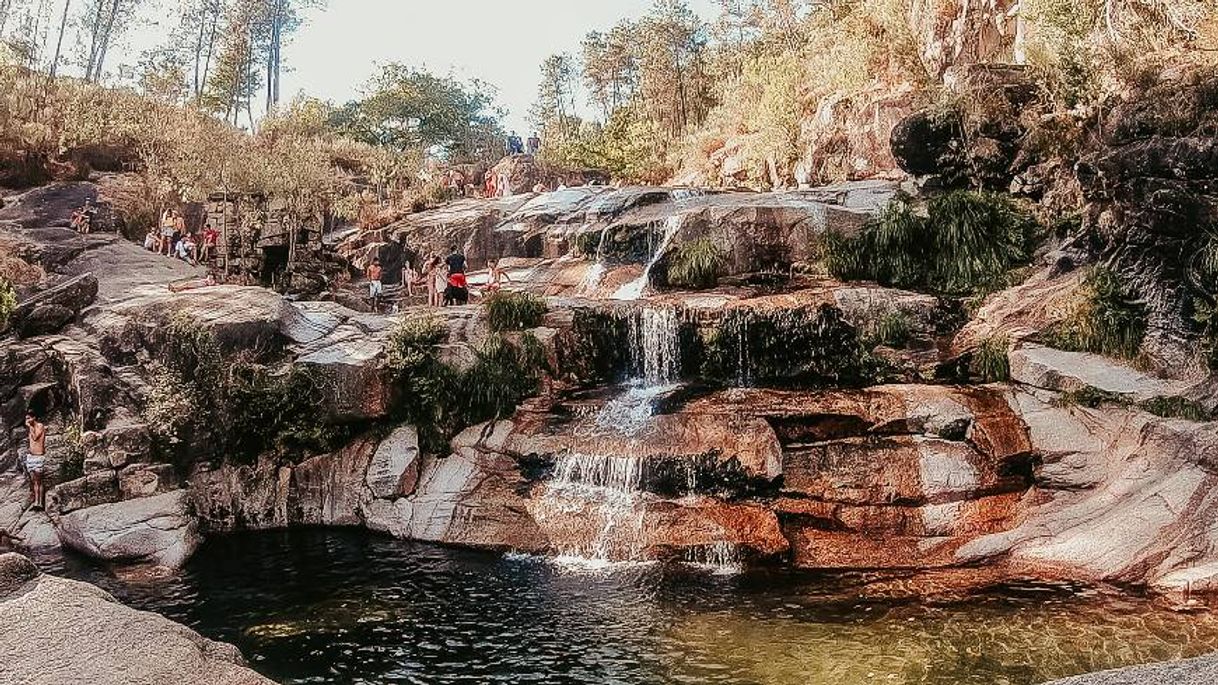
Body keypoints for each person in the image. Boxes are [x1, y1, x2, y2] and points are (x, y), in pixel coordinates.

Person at [23, 412, 46, 511]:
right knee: (34, 482)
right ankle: (36, 502)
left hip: (38, 456)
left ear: (34, 417)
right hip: (31, 457)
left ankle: (40, 502)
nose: (27, 421)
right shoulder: (31, 428)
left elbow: (36, 437)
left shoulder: (39, 426)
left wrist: (30, 427)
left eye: (29, 418)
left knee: (39, 481)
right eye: (26, 419)